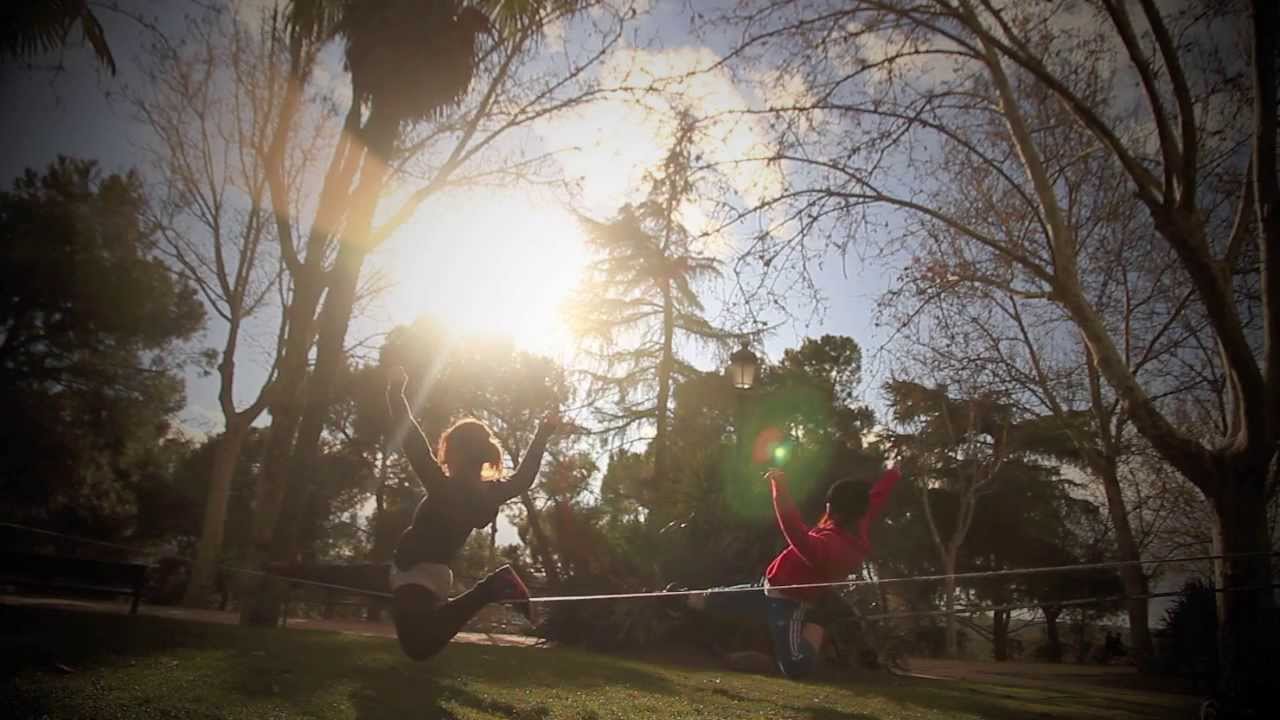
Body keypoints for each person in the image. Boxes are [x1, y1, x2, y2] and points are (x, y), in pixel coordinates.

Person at [385, 367, 560, 660]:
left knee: (418, 646)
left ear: (453, 453)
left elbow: (412, 441)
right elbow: (524, 478)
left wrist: (395, 394)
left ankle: (491, 588)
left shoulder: (443, 486)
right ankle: (491, 588)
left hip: (416, 572)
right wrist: (542, 434)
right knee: (420, 644)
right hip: (426, 571)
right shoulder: (488, 493)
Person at [685, 465, 902, 678]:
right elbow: (876, 497)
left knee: (795, 666)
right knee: (713, 600)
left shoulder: (830, 548)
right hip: (768, 587)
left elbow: (793, 528)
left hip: (789, 603)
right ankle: (679, 600)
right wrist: (893, 474)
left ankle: (818, 622)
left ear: (834, 510)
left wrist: (779, 486)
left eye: (828, 506)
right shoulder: (858, 520)